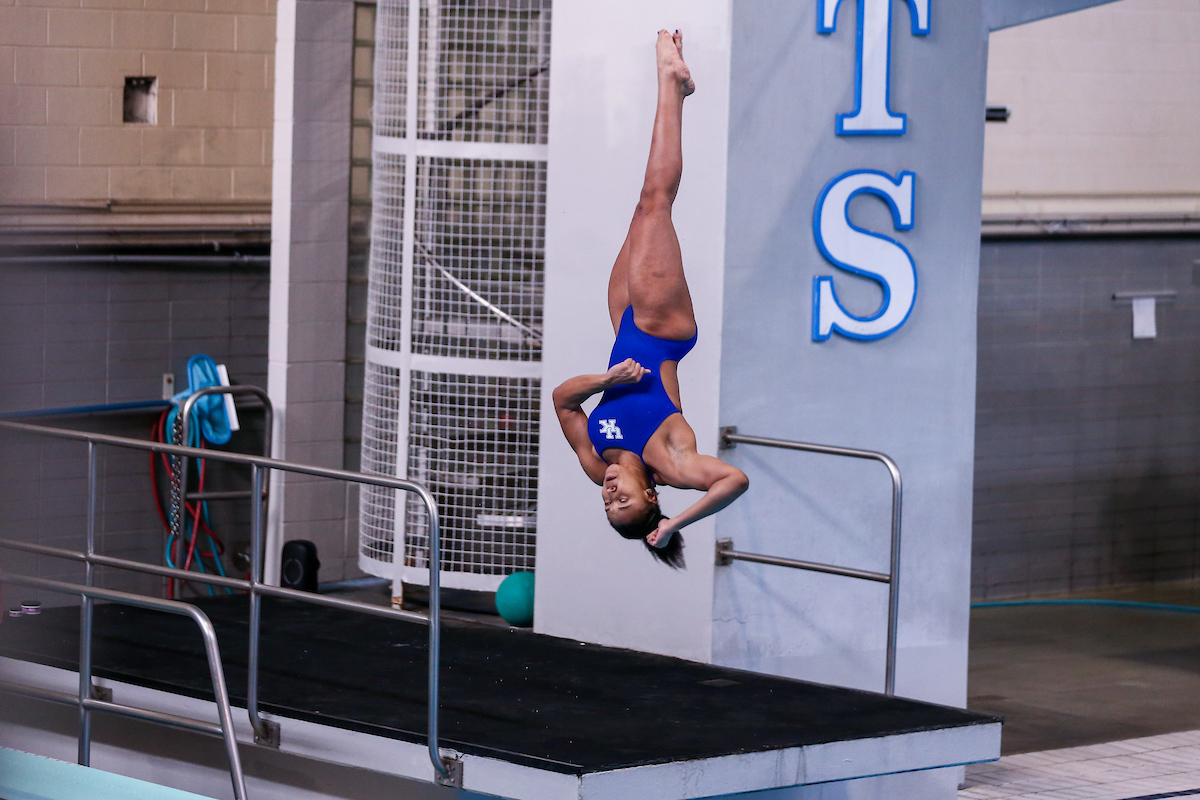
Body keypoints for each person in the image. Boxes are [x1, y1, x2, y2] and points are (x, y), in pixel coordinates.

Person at [552, 29, 749, 569]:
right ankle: (671, 82)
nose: (611, 494)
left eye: (609, 504)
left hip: (624, 327)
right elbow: (735, 479)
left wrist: (606, 381)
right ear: (652, 499)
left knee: (643, 211)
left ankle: (673, 88)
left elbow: (563, 400)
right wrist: (676, 525)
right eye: (626, 502)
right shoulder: (672, 462)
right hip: (663, 329)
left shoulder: (597, 463)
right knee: (655, 202)